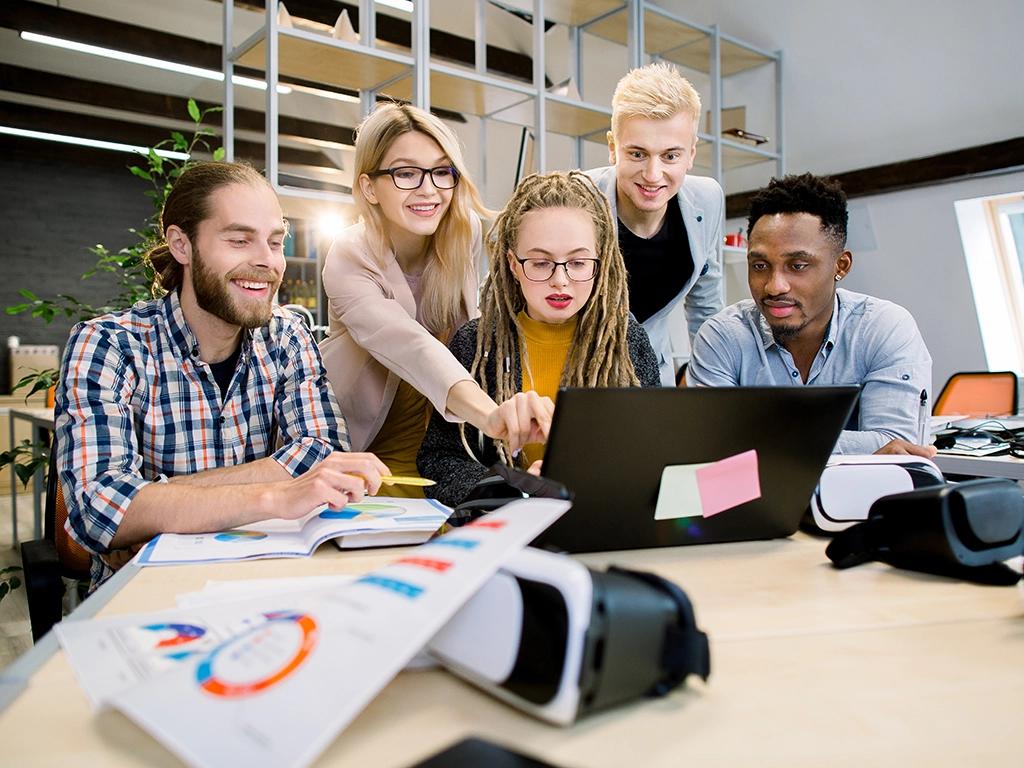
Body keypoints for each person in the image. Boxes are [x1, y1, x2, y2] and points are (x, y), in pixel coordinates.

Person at [54, 161, 389, 589]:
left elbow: (321, 453)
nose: (267, 262)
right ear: (181, 245)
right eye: (239, 240)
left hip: (266, 578)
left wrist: (155, 507)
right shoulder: (109, 344)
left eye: (275, 242)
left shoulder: (287, 336)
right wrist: (275, 494)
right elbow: (99, 509)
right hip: (149, 592)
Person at [320, 103, 551, 497]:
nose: (429, 189)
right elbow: (410, 346)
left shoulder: (464, 234)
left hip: (440, 434)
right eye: (406, 173)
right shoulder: (347, 255)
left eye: (442, 171)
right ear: (369, 187)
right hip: (362, 439)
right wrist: (489, 415)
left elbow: (469, 335)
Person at [418, 171, 661, 506]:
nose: (560, 280)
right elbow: (437, 463)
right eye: (540, 262)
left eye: (577, 262)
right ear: (513, 265)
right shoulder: (476, 344)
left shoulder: (627, 341)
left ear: (600, 262)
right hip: (507, 532)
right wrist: (511, 488)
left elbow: (656, 456)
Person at [687, 172, 936, 457]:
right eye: (760, 265)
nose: (774, 286)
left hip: (863, 501)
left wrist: (755, 440)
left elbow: (898, 448)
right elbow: (709, 450)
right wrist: (858, 447)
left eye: (798, 265)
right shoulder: (722, 336)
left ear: (840, 266)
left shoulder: (884, 328)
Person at [586, 61, 724, 386]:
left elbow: (706, 303)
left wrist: (712, 388)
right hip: (575, 374)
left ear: (691, 154)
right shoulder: (575, 198)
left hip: (653, 374)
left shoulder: (708, 199)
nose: (652, 175)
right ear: (612, 148)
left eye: (670, 156)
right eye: (637, 154)